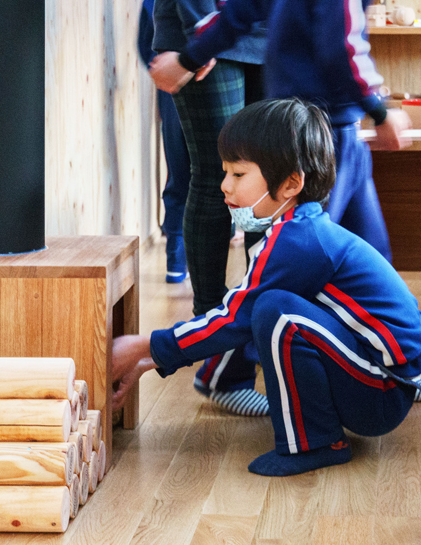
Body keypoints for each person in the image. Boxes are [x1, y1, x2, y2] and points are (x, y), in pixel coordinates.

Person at [112, 100, 421, 477]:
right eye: (225, 172)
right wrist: (151, 357)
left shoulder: (296, 241)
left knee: (274, 311)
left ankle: (316, 442)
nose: (224, 185)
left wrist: (145, 347)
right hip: (389, 380)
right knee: (263, 304)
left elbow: (237, 318)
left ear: (290, 184)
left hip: (379, 395)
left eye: (237, 174)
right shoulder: (300, 228)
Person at [148, 0, 421, 404]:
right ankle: (226, 374)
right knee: (288, 264)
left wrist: (190, 54)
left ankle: (404, 366)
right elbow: (340, 47)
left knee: (375, 253)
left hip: (342, 130)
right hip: (315, 133)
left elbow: (240, 12)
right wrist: (379, 109)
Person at [153, 0, 273, 415]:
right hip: (203, 26)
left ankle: (258, 345)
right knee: (215, 178)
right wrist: (201, 34)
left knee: (268, 187)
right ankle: (215, 350)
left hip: (267, 30)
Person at [138, 0, 191, 283]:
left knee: (181, 170)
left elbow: (145, 41)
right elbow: (146, 40)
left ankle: (177, 258)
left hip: (177, 73)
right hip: (177, 74)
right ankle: (176, 258)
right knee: (186, 170)